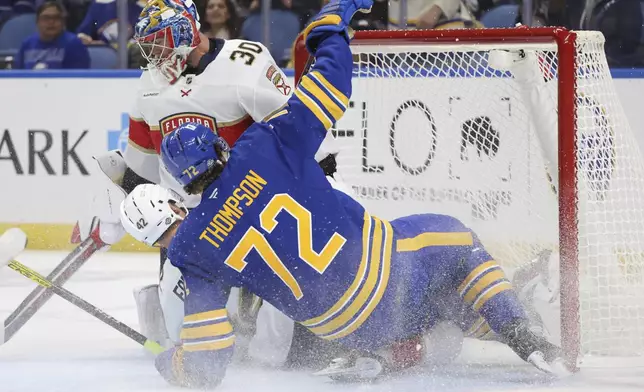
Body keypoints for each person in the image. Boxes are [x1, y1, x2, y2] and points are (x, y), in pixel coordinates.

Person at [118, 0, 569, 387]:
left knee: (429, 305)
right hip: (385, 273)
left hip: (341, 328)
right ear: (219, 145)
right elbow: (330, 87)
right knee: (457, 241)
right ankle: (524, 334)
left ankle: (399, 348)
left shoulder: (194, 250)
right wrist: (328, 32)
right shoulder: (262, 146)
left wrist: (174, 365)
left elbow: (208, 357)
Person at [73, 0, 349, 371]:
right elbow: (142, 167)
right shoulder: (149, 85)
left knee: (285, 346)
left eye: (161, 41)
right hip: (191, 226)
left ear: (187, 30)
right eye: (148, 45)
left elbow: (300, 133)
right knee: (177, 333)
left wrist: (325, 181)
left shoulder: (244, 63)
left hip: (254, 209)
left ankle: (314, 331)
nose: (154, 54)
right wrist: (118, 208)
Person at [13, 1, 90, 69]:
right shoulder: (27, 44)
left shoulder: (74, 44)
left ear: (63, 22)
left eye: (56, 18)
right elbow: (17, 75)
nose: (51, 22)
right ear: (37, 22)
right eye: (46, 18)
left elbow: (77, 79)